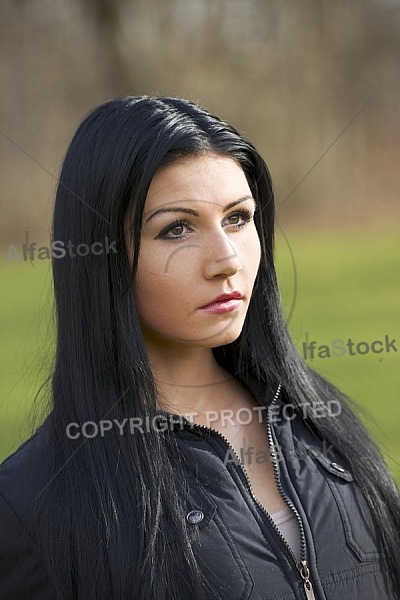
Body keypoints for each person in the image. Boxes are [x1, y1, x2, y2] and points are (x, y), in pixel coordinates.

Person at [0, 96, 399, 600]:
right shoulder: (31, 502)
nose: (227, 260)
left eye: (237, 218)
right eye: (177, 229)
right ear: (101, 258)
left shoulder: (322, 425)